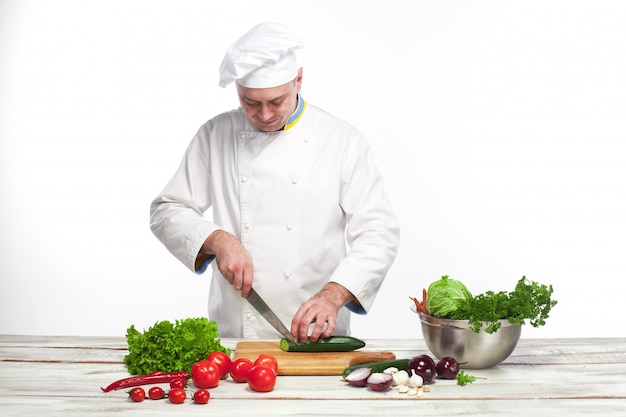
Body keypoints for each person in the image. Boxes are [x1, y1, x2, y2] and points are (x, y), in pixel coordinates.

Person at [150, 22, 400, 342]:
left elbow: (379, 232)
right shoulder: (214, 135)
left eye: (276, 101)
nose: (265, 114)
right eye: (251, 102)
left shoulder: (342, 141)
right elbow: (166, 210)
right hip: (237, 335)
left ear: (298, 80)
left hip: (318, 334)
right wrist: (217, 239)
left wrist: (333, 295)